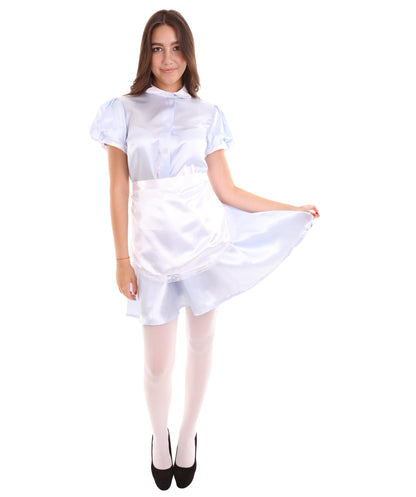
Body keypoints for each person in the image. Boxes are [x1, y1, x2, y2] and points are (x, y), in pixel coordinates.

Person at [89, 9, 319, 490]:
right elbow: (118, 187)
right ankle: (159, 435)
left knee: (201, 344)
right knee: (157, 363)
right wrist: (121, 258)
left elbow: (226, 189)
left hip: (203, 241)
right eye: (157, 48)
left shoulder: (207, 114)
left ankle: (188, 433)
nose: (167, 58)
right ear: (146, 54)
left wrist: (288, 208)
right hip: (152, 251)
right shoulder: (123, 110)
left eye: (176, 48)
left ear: (188, 53)